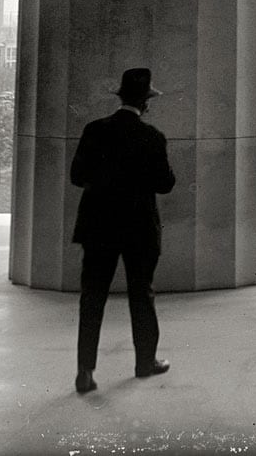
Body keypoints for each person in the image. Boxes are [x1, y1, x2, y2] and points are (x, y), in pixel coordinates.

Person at [70, 67, 176, 393]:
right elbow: (166, 184)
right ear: (146, 103)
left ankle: (85, 371)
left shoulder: (94, 130)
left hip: (99, 225)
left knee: (93, 298)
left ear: (120, 97)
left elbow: (77, 176)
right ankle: (145, 361)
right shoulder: (152, 137)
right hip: (139, 227)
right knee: (141, 294)